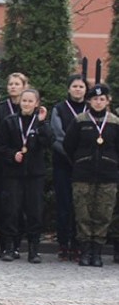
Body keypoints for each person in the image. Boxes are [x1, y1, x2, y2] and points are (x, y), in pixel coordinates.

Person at [0, 88, 53, 263]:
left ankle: (34, 249)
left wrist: (42, 123)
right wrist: (12, 155)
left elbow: (49, 142)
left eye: (30, 101)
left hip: (35, 174)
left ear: (37, 104)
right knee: (11, 210)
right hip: (13, 173)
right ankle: (10, 247)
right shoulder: (10, 121)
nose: (26, 104)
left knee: (34, 211)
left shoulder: (40, 123)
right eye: (24, 100)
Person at [63, 83, 119, 267]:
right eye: (94, 99)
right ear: (89, 101)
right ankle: (85, 251)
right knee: (83, 214)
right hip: (83, 174)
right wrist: (80, 161)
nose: (98, 102)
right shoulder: (80, 121)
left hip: (107, 175)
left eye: (102, 99)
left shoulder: (114, 122)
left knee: (103, 214)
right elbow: (68, 145)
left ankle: (97, 252)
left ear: (108, 101)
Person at [0, 72, 29, 258]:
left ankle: (17, 244)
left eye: (17, 84)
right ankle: (5, 245)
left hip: (25, 166)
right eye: (10, 83)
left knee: (21, 207)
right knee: (5, 207)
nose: (13, 87)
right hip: (3, 165)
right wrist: (9, 153)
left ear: (24, 87)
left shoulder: (30, 108)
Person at [50, 75, 88, 261]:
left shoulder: (92, 108)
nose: (78, 89)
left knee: (82, 207)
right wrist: (72, 155)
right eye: (75, 86)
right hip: (63, 163)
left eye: (81, 86)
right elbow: (57, 135)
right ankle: (64, 244)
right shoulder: (59, 108)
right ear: (69, 89)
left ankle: (79, 244)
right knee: (64, 205)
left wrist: (82, 157)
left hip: (85, 166)